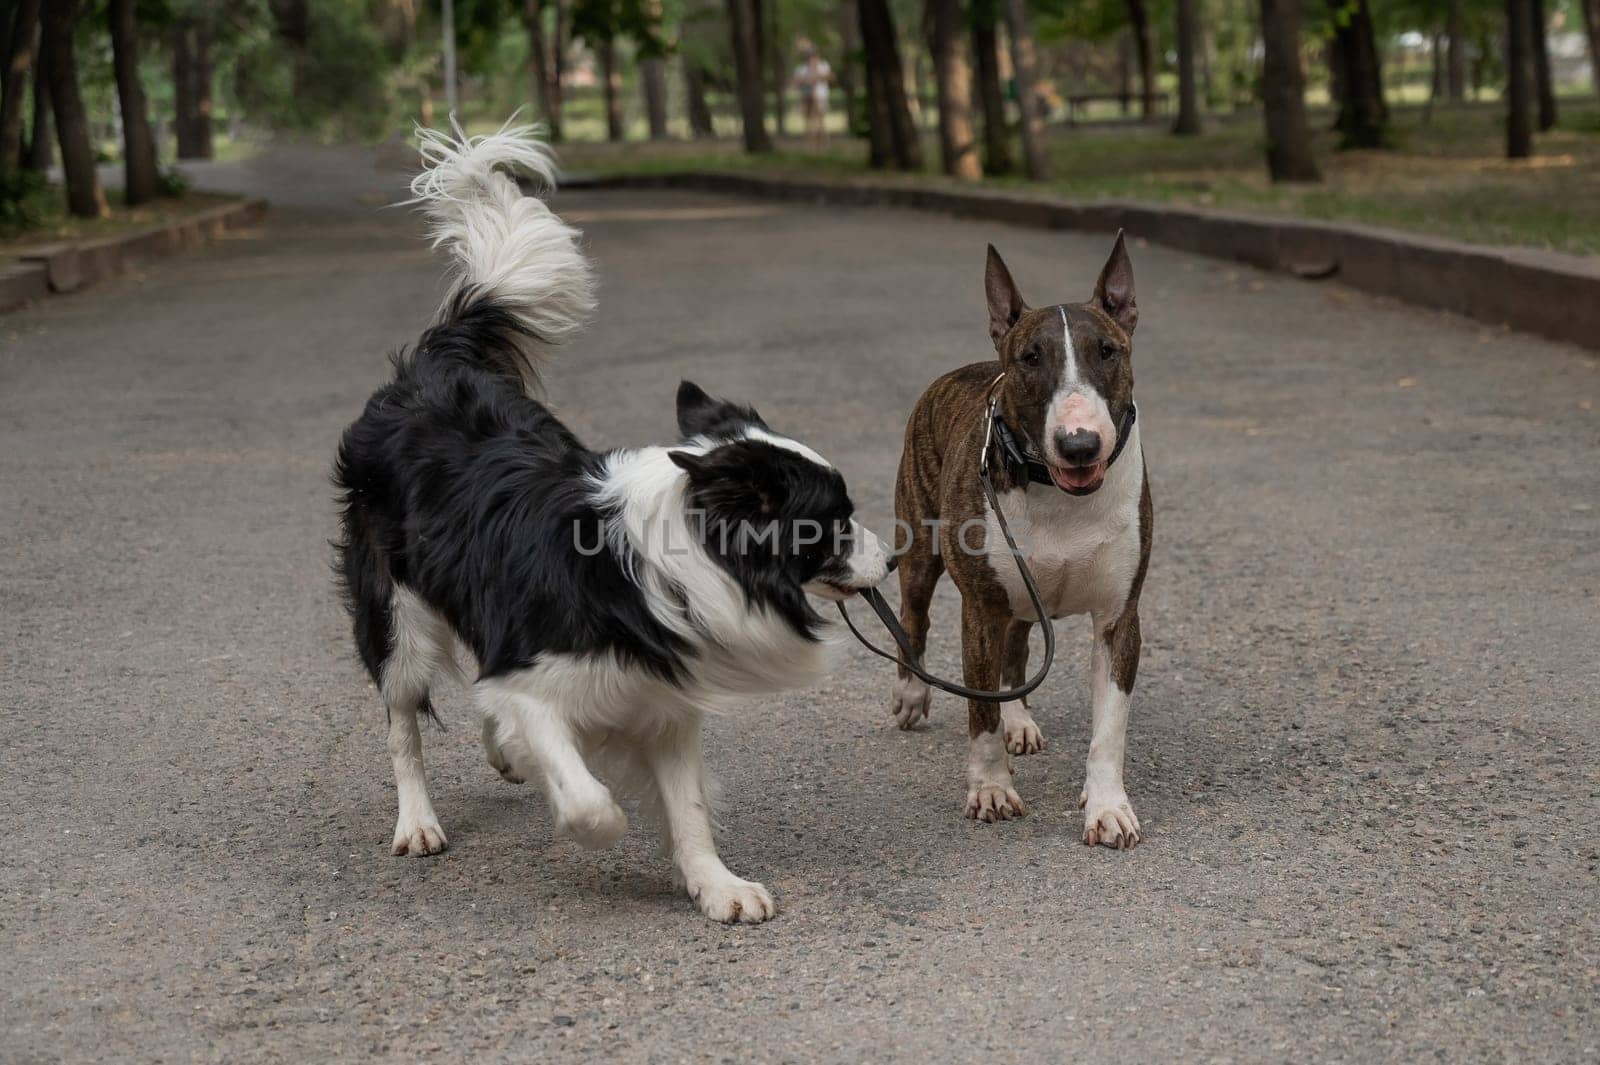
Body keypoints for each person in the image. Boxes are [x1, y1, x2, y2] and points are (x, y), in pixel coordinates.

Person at [791, 47, 833, 148]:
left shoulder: (823, 65)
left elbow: (830, 77)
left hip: (821, 96)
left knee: (820, 119)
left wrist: (817, 76)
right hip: (806, 96)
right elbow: (795, 83)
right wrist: (805, 79)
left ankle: (822, 140)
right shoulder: (801, 68)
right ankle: (809, 141)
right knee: (807, 119)